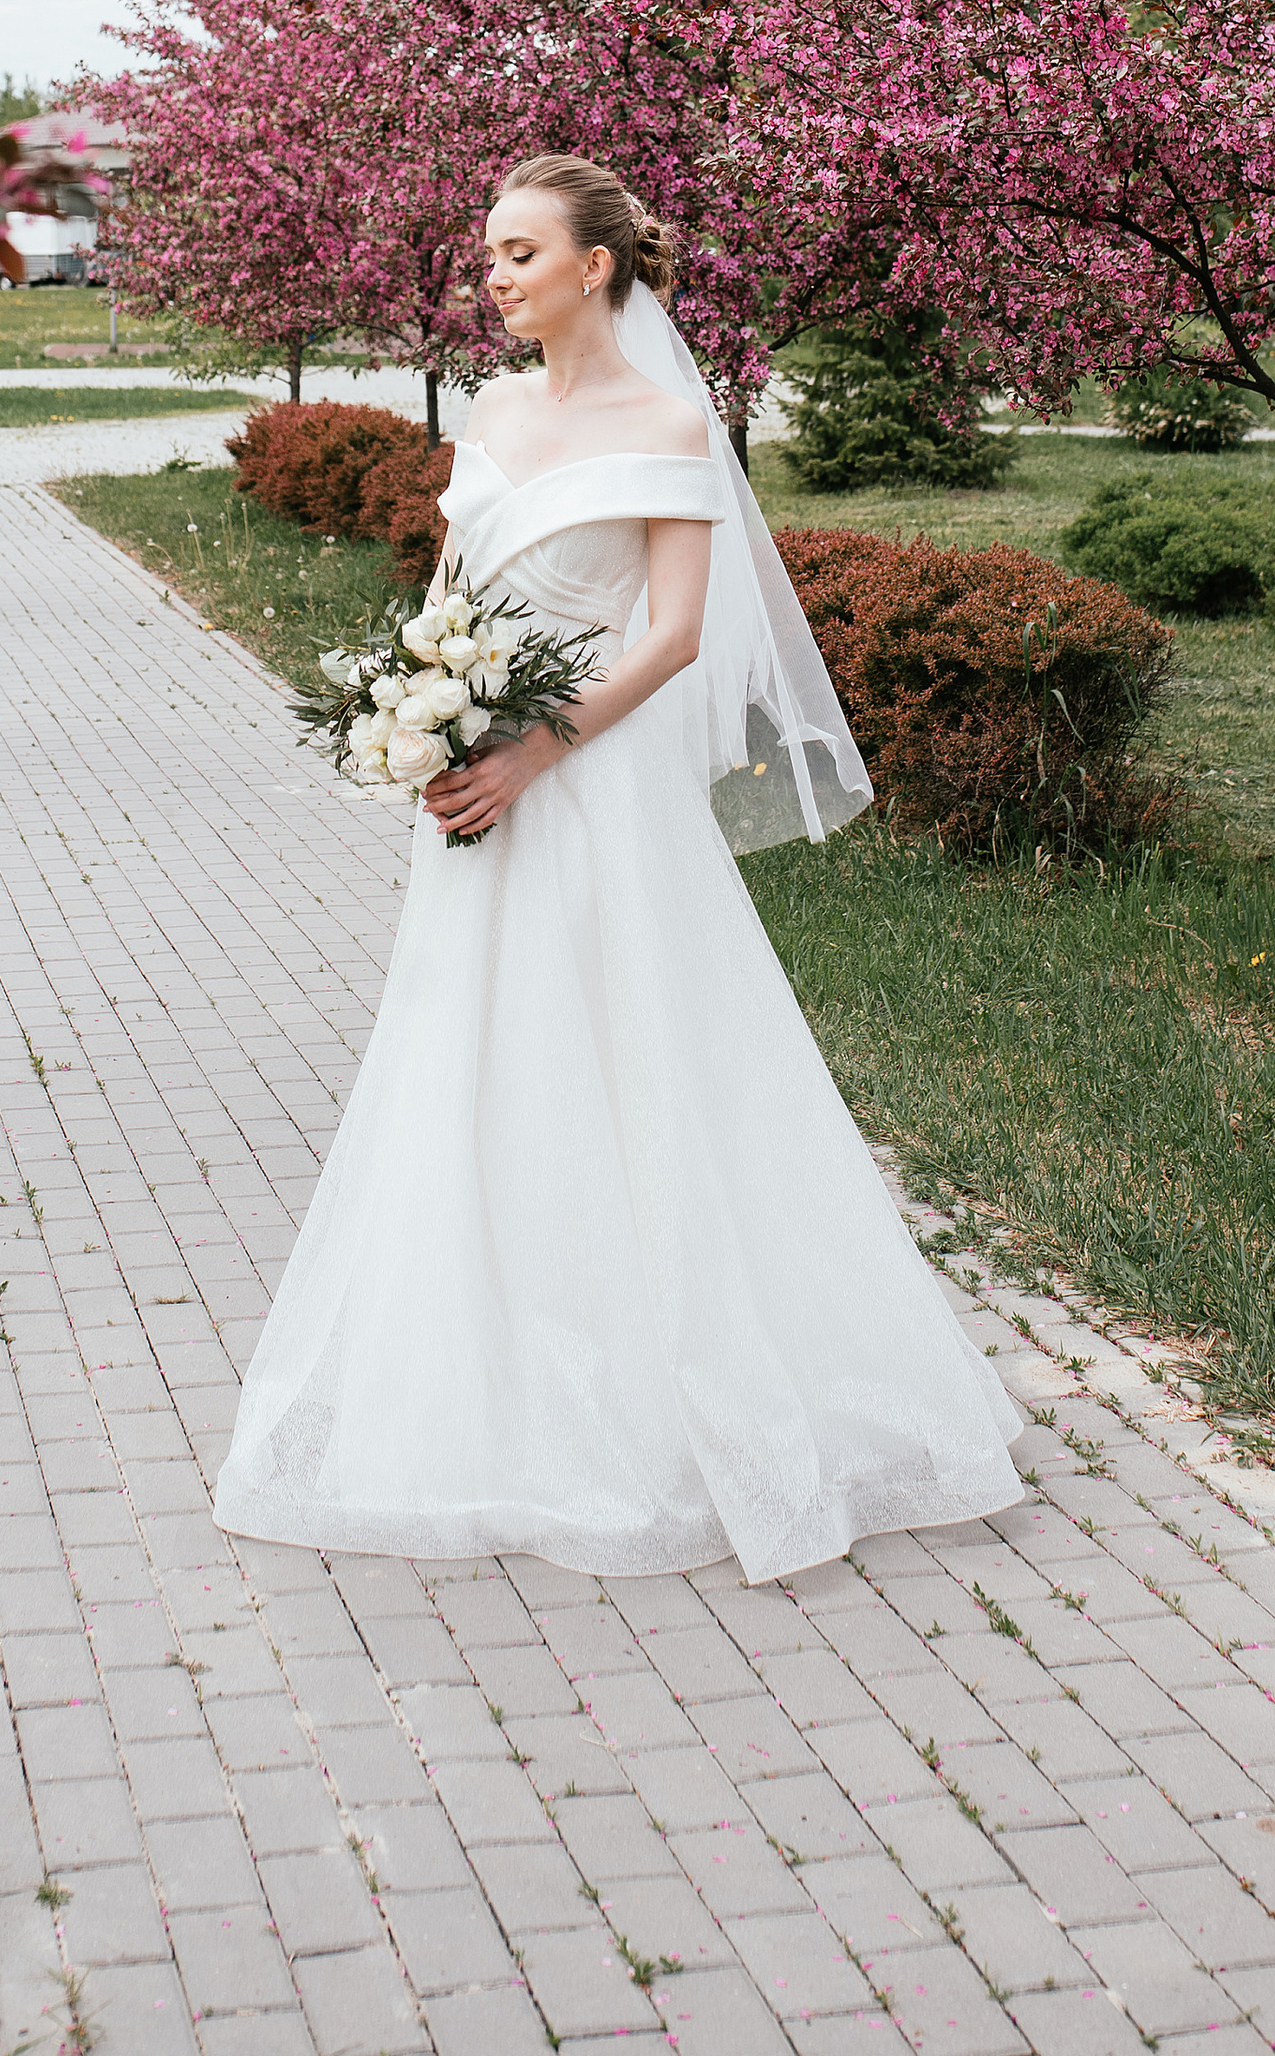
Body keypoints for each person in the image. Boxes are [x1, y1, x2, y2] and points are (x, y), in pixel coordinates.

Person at [211, 154, 1025, 1581]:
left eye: (520, 252)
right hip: (480, 773)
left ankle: (690, 1384)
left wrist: (534, 747)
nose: (496, 275)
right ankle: (496, 1374)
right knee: (476, 1054)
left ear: (596, 266)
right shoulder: (496, 406)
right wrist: (427, 719)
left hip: (597, 780)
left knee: (636, 1048)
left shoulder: (667, 420)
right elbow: (457, 597)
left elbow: (673, 635)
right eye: (489, 254)